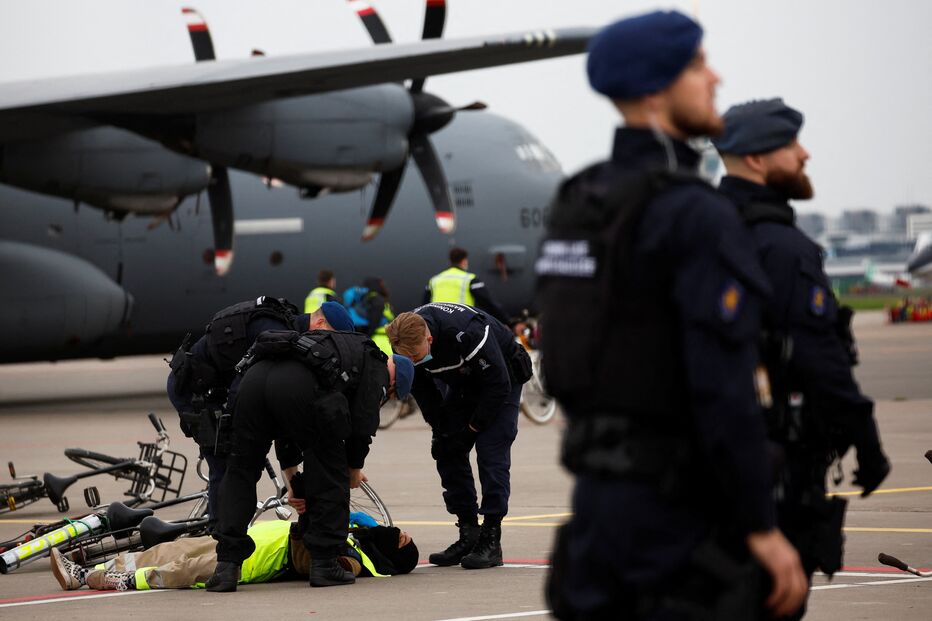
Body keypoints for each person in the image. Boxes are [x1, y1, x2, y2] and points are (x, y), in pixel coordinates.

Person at [536, 11, 807, 620]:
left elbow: (569, 355)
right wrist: (759, 524)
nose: (715, 77)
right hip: (681, 520)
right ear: (657, 88)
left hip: (599, 513)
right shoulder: (693, 213)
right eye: (697, 64)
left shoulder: (580, 198)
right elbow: (722, 389)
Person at [713, 98, 891, 618]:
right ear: (757, 160)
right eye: (791, 145)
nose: (805, 154)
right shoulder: (783, 248)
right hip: (776, 468)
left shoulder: (698, 236)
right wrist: (868, 441)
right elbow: (819, 357)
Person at [206, 328, 414, 591]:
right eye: (391, 396)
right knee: (329, 468)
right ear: (394, 382)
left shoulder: (326, 347)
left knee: (240, 471)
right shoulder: (377, 364)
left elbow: (286, 428)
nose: (386, 399)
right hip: (296, 389)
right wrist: (353, 469)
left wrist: (292, 480)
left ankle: (226, 566)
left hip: (253, 384)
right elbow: (362, 426)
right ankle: (325, 564)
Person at [166, 298, 355, 523]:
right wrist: (236, 430)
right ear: (320, 323)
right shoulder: (275, 334)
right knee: (227, 463)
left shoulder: (292, 334)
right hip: (192, 390)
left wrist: (291, 481)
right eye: (330, 337)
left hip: (217, 388)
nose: (327, 345)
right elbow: (244, 389)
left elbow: (280, 411)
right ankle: (219, 536)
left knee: (235, 456)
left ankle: (223, 526)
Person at [386, 304, 532, 570]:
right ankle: (468, 531)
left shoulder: (468, 332)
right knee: (446, 448)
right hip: (463, 380)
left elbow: (498, 385)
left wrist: (472, 429)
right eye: (408, 359)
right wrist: (440, 428)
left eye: (418, 356)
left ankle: (491, 537)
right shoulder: (408, 339)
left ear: (429, 339)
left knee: (491, 453)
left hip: (501, 379)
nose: (416, 363)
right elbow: (425, 392)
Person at [50, 514, 418, 592]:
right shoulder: (359, 537)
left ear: (393, 557)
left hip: (252, 560)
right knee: (169, 548)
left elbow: (310, 560)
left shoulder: (353, 561)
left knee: (184, 567)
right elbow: (361, 522)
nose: (399, 531)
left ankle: (115, 580)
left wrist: (309, 523)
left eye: (401, 539)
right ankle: (86, 571)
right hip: (243, 537)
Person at [423, 247, 510, 325]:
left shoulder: (434, 280)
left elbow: (424, 306)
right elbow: (489, 303)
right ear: (464, 261)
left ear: (450, 261)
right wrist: (509, 322)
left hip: (438, 324)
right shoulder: (470, 279)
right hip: (461, 324)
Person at [344, 277, 396, 356]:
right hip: (381, 341)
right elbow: (374, 322)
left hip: (376, 340)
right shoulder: (377, 300)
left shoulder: (368, 299)